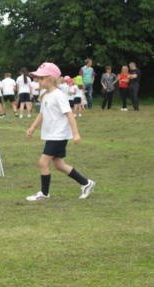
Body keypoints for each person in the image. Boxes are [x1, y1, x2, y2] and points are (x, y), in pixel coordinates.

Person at [26, 62, 95, 201]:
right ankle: (86, 183)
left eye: (41, 78)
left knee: (43, 162)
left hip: (58, 135)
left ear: (51, 78)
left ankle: (44, 193)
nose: (38, 80)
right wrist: (33, 127)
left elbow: (69, 114)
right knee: (59, 165)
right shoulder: (46, 96)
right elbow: (42, 114)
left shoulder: (58, 95)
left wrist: (75, 134)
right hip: (52, 135)